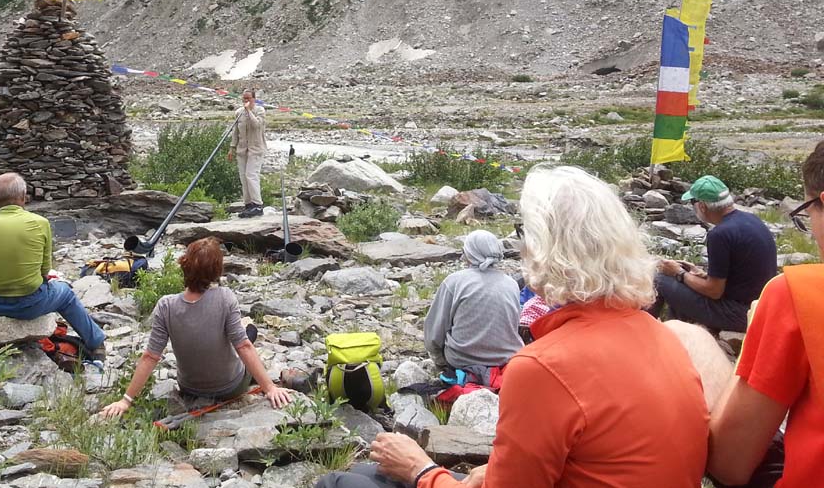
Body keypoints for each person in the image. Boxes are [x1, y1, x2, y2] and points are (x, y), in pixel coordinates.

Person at [316, 165, 709, 488]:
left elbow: (436, 334)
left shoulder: (545, 368)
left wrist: (423, 471)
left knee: (340, 482)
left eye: (525, 234)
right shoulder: (662, 334)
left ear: (545, 249)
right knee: (372, 475)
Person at [707, 138, 824, 488]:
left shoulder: (800, 293)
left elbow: (728, 465)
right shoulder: (748, 224)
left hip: (737, 306)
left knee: (689, 336)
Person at [99, 238, 292, 418]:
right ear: (217, 270)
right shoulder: (225, 298)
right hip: (231, 387)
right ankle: (250, 337)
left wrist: (126, 400)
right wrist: (269, 387)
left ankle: (245, 331)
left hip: (190, 388)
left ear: (184, 264)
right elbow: (244, 347)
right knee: (246, 336)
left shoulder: (166, 305)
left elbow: (150, 356)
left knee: (240, 334)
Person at [0, 172, 105, 356]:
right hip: (32, 304)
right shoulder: (40, 223)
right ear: (23, 196)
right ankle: (96, 343)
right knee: (65, 294)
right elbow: (44, 270)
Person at [652, 174, 777, 333]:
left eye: (692, 202)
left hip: (738, 313)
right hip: (760, 308)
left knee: (660, 280)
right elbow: (742, 274)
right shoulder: (751, 219)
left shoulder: (720, 234)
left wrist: (680, 274)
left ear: (702, 206)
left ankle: (642, 334)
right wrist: (702, 275)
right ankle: (677, 333)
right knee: (682, 286)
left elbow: (714, 291)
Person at [422, 230, 522, 378]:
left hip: (461, 359)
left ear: (469, 253)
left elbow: (434, 332)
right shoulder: (511, 284)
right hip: (506, 359)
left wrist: (438, 358)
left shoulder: (454, 282)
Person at [226, 87, 266, 218]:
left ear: (254, 99)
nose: (246, 100)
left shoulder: (260, 110)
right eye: (244, 98)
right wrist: (232, 148)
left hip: (256, 149)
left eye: (248, 98)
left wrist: (249, 111)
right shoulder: (238, 113)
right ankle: (248, 204)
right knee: (243, 177)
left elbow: (256, 125)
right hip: (242, 150)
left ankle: (257, 205)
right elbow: (235, 132)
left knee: (251, 174)